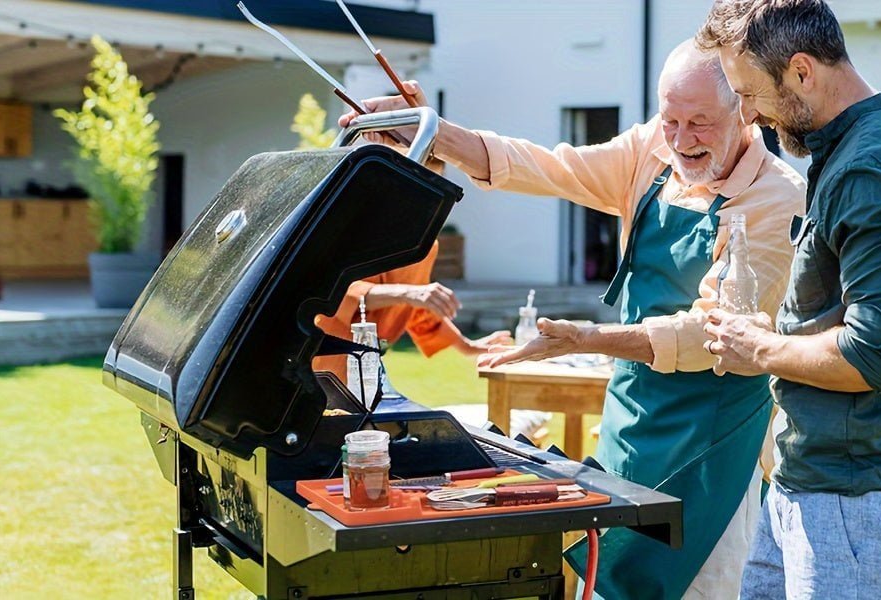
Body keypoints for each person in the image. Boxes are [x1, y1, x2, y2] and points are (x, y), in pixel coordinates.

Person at [341, 40, 804, 598]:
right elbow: (550, 167)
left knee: (702, 585)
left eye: (699, 123)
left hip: (714, 435)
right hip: (632, 414)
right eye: (670, 119)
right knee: (605, 578)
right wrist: (435, 132)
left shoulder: (777, 197)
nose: (680, 140)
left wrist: (587, 338)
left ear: (746, 110)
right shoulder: (650, 149)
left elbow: (711, 334)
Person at [696, 1, 881, 597]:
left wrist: (760, 349)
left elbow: (879, 353)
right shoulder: (845, 150)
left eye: (749, 94)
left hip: (856, 494)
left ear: (802, 71)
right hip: (809, 479)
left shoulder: (872, 166)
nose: (748, 115)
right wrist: (768, 339)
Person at [312, 242, 508, 383]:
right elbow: (336, 292)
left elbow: (417, 307)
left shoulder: (426, 244)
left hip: (369, 368)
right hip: (324, 360)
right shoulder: (356, 228)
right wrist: (407, 293)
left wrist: (466, 346)